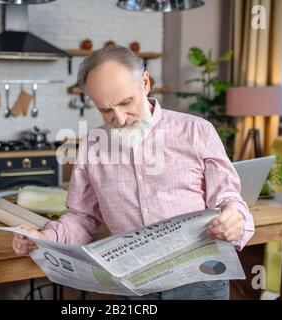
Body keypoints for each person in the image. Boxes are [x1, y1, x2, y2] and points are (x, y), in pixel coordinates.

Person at [13, 45, 254, 300]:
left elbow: (228, 198)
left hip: (201, 281)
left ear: (146, 83)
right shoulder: (91, 146)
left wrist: (234, 218)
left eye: (126, 102)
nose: (119, 118)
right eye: (106, 110)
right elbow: (82, 218)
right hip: (134, 287)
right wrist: (44, 238)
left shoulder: (197, 131)